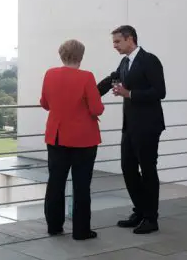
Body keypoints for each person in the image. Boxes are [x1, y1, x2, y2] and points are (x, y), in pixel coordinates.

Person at [97, 25, 166, 234]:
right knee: (127, 168)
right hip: (129, 127)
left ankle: (151, 219)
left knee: (147, 170)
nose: (115, 46)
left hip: (148, 126)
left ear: (130, 39)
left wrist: (130, 94)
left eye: (117, 42)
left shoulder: (149, 60)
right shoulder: (125, 62)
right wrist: (88, 93)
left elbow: (160, 92)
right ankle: (141, 210)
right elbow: (112, 79)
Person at [40, 39, 104, 240]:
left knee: (55, 183)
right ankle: (81, 231)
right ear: (81, 56)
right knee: (81, 185)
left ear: (61, 54)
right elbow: (96, 109)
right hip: (83, 139)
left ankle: (54, 226)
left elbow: (45, 103)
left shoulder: (50, 74)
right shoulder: (86, 77)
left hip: (57, 136)